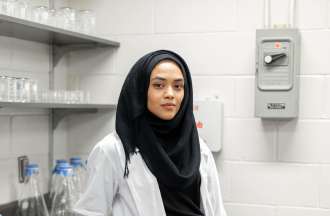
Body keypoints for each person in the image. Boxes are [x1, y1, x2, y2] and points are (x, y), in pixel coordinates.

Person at [74, 50, 227, 216]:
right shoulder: (113, 150)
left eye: (178, 86)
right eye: (158, 85)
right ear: (140, 90)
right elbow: (89, 212)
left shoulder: (199, 148)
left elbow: (217, 210)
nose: (170, 94)